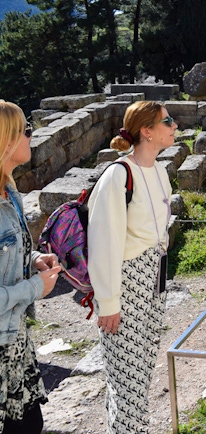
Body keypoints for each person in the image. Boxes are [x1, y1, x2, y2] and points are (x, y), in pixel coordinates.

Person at [88, 101, 175, 434]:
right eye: (168, 121)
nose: (175, 126)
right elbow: (104, 242)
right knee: (127, 385)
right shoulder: (117, 176)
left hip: (153, 283)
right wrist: (108, 303)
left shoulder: (159, 170)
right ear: (147, 131)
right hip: (125, 288)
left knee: (139, 379)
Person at [0, 100, 62, 433]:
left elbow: (7, 257)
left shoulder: (11, 194)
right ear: (6, 140)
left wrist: (34, 259)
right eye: (26, 129)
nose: (31, 135)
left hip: (16, 344)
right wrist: (35, 288)